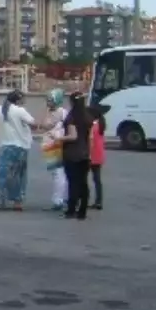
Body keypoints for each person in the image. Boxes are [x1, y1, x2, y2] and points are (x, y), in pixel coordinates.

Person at [0, 89, 35, 211]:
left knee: (3, 175)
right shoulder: (20, 111)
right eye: (23, 99)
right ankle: (17, 202)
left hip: (5, 146)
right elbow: (33, 123)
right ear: (18, 100)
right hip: (20, 146)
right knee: (19, 175)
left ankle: (1, 200)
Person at [57, 91, 92, 220]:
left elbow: (73, 136)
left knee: (73, 182)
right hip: (84, 153)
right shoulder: (88, 116)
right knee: (83, 183)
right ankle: (82, 210)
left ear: (72, 102)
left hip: (72, 153)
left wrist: (60, 138)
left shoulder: (72, 116)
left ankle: (71, 209)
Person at [41, 89, 68, 211]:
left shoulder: (61, 112)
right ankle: (60, 198)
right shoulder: (51, 112)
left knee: (58, 173)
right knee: (57, 173)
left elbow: (48, 126)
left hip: (56, 145)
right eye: (47, 99)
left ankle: (59, 200)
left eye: (50, 100)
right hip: (50, 145)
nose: (48, 102)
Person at [88, 104, 108, 210]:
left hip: (92, 154)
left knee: (84, 178)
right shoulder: (101, 123)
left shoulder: (93, 125)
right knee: (97, 179)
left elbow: (90, 140)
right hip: (99, 154)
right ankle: (99, 201)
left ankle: (83, 199)